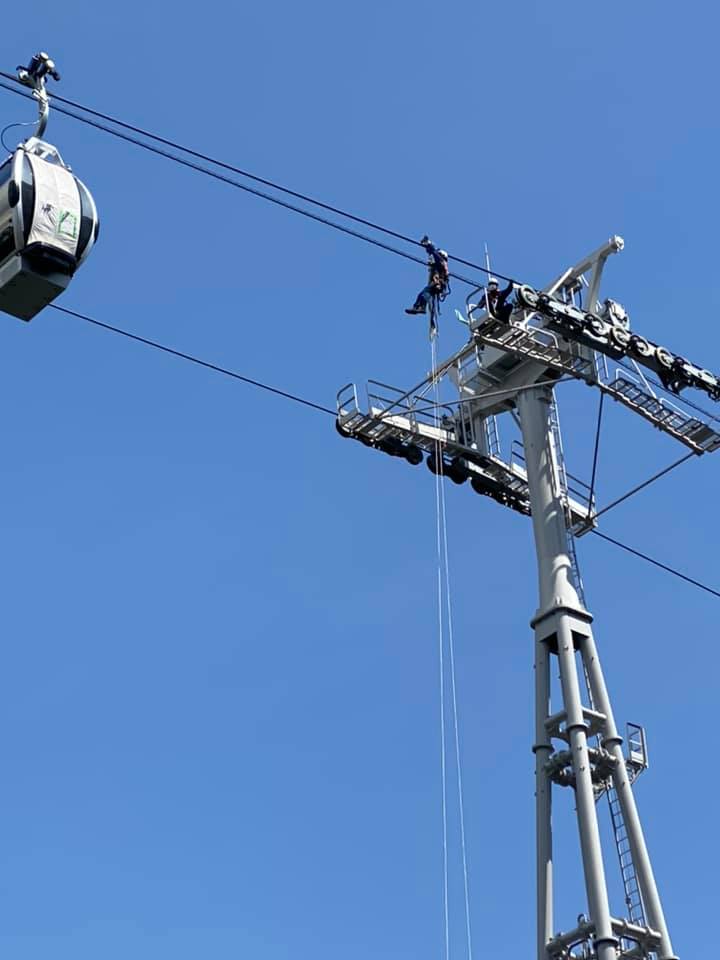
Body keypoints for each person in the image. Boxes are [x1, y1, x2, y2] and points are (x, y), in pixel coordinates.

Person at [405, 236, 450, 321]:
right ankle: (418, 307)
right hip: (437, 284)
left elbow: (433, 253)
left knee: (425, 292)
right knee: (421, 294)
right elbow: (432, 254)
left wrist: (428, 244)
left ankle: (421, 308)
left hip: (438, 283)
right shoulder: (438, 265)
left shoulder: (440, 262)